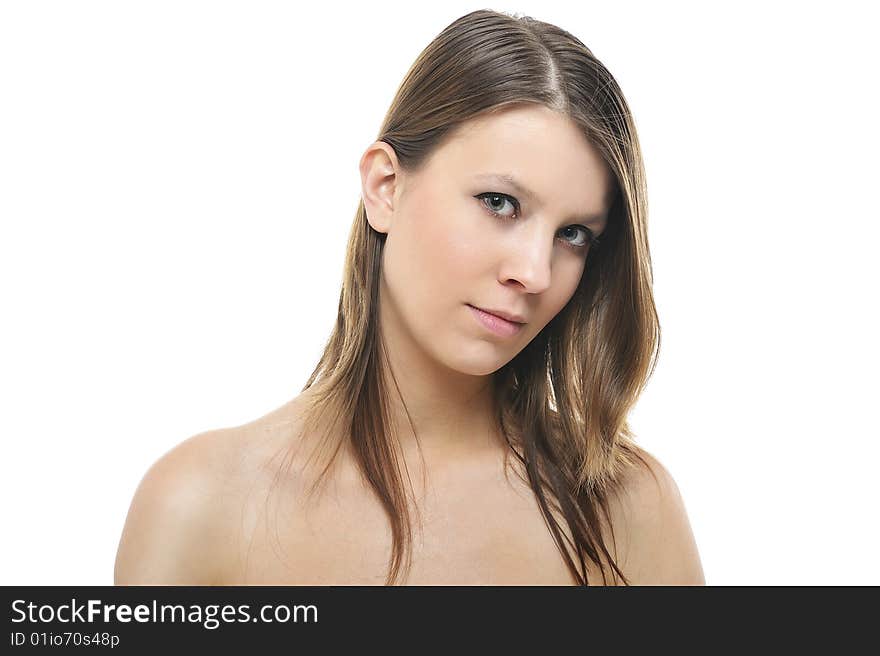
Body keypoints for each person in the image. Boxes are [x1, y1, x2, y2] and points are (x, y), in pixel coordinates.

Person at [114, 9, 705, 586]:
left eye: (572, 235)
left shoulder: (628, 510)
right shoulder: (201, 509)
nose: (534, 272)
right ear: (385, 187)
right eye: (499, 203)